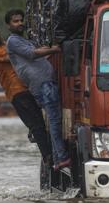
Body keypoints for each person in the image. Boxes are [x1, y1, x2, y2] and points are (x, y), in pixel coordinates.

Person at [5, 9, 70, 170]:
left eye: (21, 20)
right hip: (43, 85)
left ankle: (57, 157)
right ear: (8, 25)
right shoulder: (13, 41)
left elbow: (38, 56)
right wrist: (54, 49)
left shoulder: (22, 40)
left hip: (45, 83)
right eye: (15, 21)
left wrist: (49, 53)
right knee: (54, 122)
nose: (20, 23)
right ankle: (61, 158)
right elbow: (33, 54)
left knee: (55, 121)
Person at [0, 22, 53, 166]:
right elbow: (20, 55)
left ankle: (47, 152)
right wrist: (48, 50)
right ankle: (48, 158)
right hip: (17, 92)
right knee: (37, 125)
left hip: (27, 88)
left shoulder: (7, 45)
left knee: (39, 123)